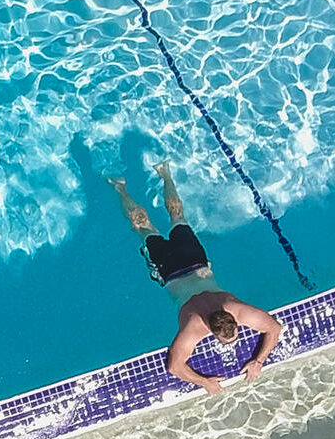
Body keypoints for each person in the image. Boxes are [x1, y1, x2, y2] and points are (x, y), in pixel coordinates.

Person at [110, 162, 285, 395]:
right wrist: (205, 382)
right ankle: (122, 187)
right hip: (170, 269)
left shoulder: (235, 308)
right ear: (213, 330)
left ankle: (162, 174)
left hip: (194, 261)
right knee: (143, 227)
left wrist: (259, 361)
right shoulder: (195, 327)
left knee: (175, 215)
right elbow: (173, 367)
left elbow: (274, 328)